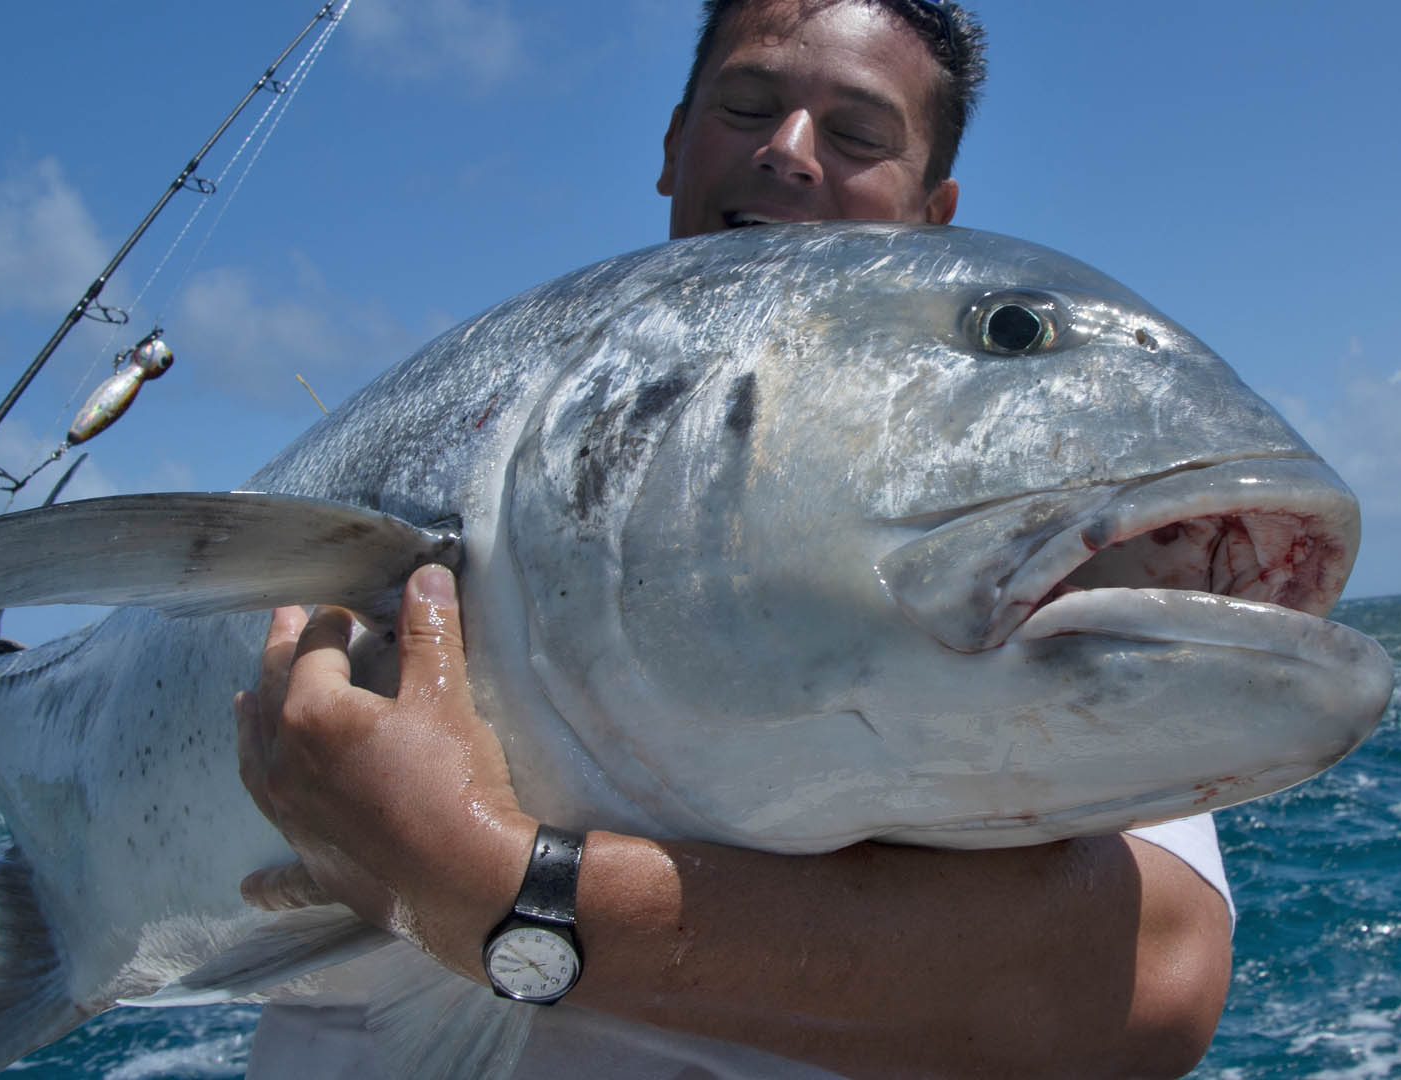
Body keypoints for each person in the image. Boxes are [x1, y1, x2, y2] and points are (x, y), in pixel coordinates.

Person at [235, 2, 1233, 1076]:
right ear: (673, 145)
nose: (789, 152)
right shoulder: (483, 403)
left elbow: (1158, 978)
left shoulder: (1007, 519)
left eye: (858, 134)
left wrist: (500, 884)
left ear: (934, 212)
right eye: (748, 105)